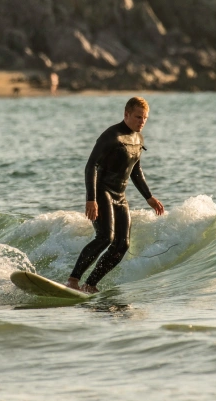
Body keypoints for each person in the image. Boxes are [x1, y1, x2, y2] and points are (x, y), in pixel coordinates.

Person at [67, 97, 164, 293]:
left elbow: (136, 170)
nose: (142, 121)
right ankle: (72, 280)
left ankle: (90, 284)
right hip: (102, 191)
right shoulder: (111, 136)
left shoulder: (138, 139)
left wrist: (149, 197)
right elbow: (91, 165)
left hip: (120, 196)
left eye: (145, 118)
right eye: (138, 117)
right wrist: (91, 199)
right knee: (105, 237)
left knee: (123, 244)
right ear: (126, 114)